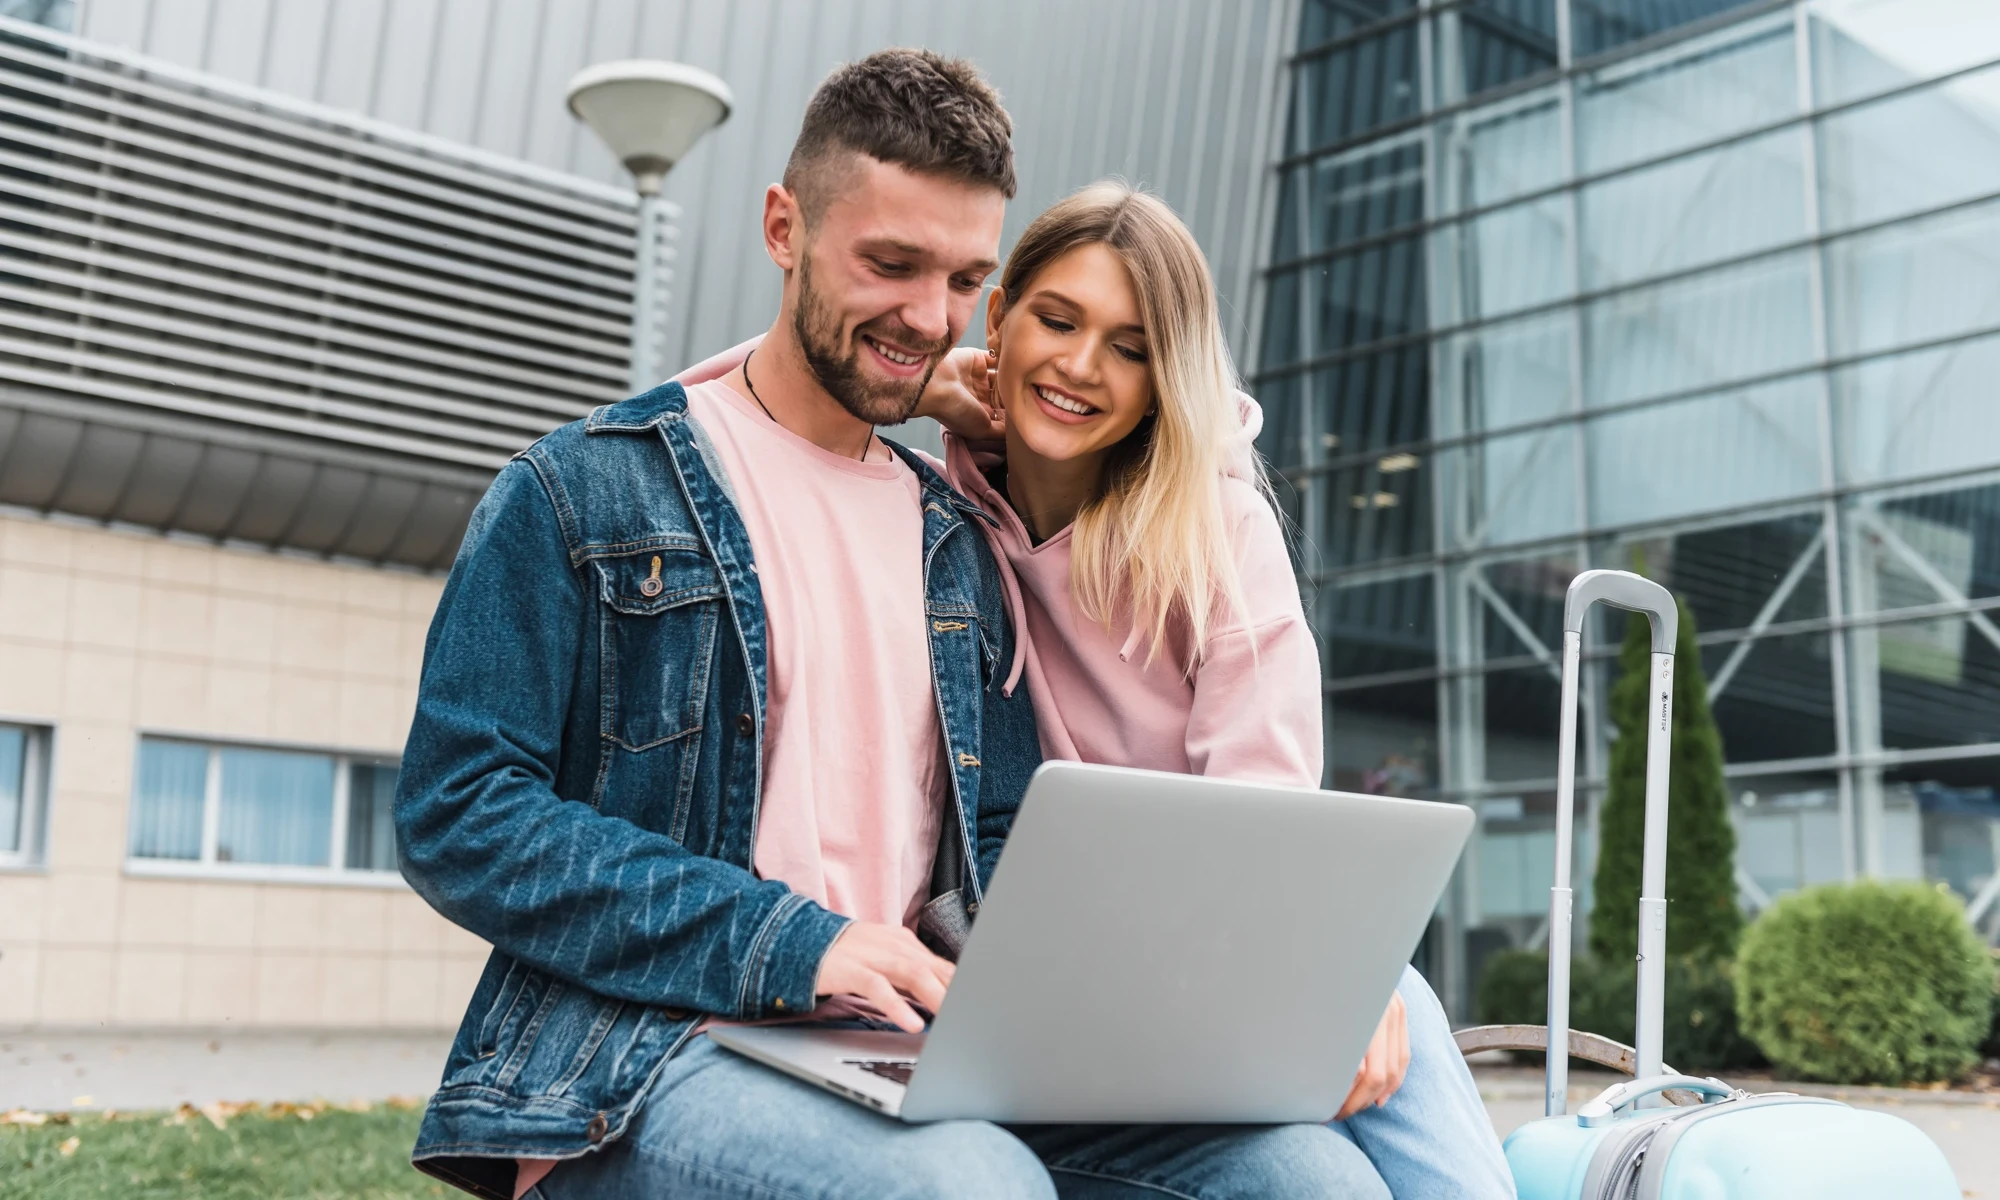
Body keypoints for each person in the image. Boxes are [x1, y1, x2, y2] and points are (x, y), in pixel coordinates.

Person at [399, 49, 1435, 1200]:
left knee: (1309, 1181)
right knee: (969, 1186)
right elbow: (460, 814)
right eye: (890, 265)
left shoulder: (959, 535)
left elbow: (1010, 848)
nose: (926, 319)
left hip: (917, 1046)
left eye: (959, 280)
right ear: (782, 227)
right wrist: (798, 943)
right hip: (650, 1053)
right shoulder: (581, 492)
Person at [914, 182, 1517, 1197]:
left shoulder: (1216, 528)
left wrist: (1331, 972)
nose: (1078, 366)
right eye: (1056, 321)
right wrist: (925, 389)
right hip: (1054, 970)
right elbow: (747, 393)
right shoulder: (938, 514)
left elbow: (1265, 805)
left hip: (1220, 951)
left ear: (1165, 375)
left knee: (1389, 1010)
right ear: (999, 312)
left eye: (1130, 346)